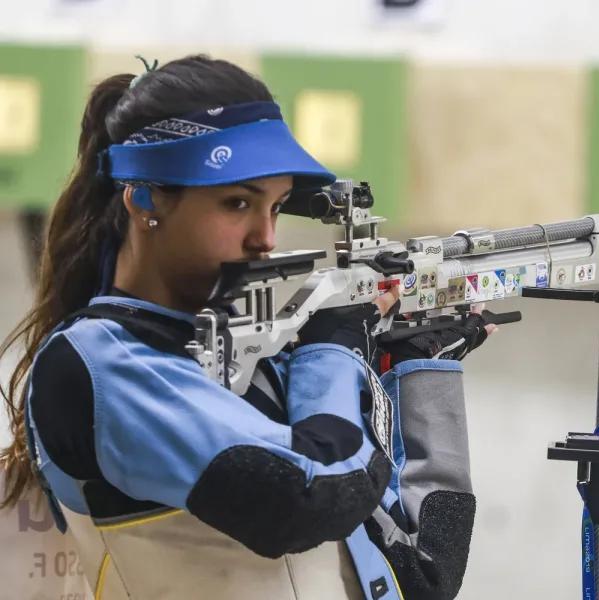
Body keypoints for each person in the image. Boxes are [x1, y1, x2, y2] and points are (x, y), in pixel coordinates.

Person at [0, 54, 496, 600]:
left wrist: (419, 369)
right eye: (237, 203)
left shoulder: (250, 361)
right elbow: (313, 496)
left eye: (278, 207)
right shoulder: (102, 367)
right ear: (143, 199)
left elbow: (422, 580)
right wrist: (334, 351)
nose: (265, 237)